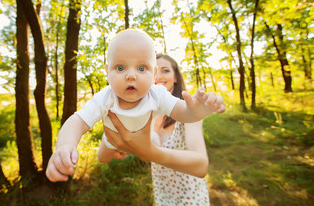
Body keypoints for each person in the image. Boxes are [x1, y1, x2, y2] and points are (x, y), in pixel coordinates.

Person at [46, 29, 225, 182]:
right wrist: (64, 145)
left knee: (153, 141)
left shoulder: (157, 94)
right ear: (107, 71)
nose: (131, 76)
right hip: (112, 138)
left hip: (145, 140)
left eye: (141, 68)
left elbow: (182, 113)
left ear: (153, 74)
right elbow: (77, 121)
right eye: (120, 68)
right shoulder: (105, 97)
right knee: (102, 157)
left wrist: (197, 111)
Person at [104, 53, 213, 205]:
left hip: (191, 198)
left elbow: (201, 166)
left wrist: (150, 153)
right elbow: (139, 146)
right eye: (152, 70)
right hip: (162, 196)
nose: (159, 76)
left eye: (165, 70)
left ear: (175, 77)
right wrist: (127, 148)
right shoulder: (145, 113)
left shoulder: (188, 111)